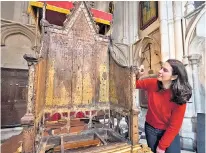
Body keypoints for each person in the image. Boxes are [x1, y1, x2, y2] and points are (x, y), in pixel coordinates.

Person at [135, 59, 192, 153]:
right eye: (161, 68)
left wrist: (161, 147)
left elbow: (175, 126)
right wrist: (138, 75)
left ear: (174, 77)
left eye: (165, 70)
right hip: (150, 129)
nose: (160, 71)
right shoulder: (152, 83)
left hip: (169, 131)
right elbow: (133, 84)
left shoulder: (179, 96)